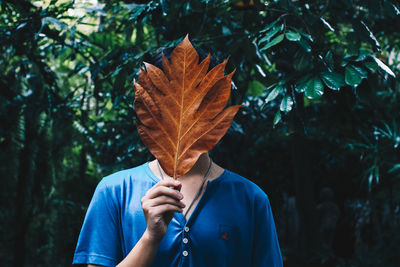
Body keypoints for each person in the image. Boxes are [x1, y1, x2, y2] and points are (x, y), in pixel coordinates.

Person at [72, 47, 283, 267]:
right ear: (151, 109)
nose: (188, 111)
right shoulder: (114, 191)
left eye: (201, 101)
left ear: (218, 107)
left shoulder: (251, 199)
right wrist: (150, 238)